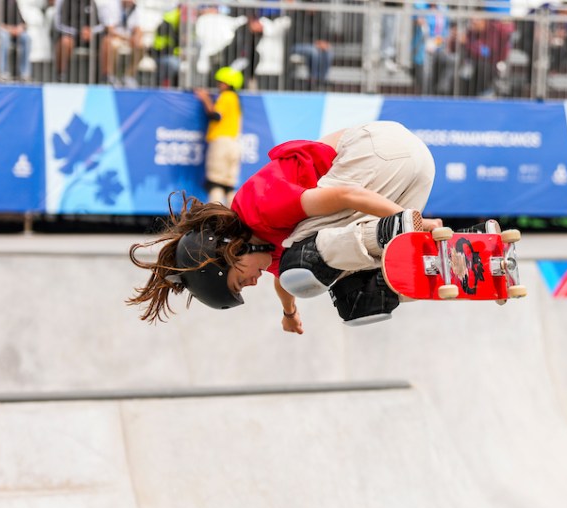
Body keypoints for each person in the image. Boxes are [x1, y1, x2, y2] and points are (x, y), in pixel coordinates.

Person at [128, 121, 441, 332]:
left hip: (382, 151)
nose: (252, 283)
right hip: (415, 170)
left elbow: (347, 195)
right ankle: (442, 265)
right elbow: (284, 284)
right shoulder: (269, 249)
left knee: (301, 262)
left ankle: (396, 229)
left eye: (239, 282)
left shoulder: (259, 209)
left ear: (228, 252)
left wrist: (411, 220)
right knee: (355, 299)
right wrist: (288, 313)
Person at [195, 66, 244, 207]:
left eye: (221, 82)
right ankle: (234, 219)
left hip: (221, 143)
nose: (219, 85)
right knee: (229, 185)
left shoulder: (227, 96)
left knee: (215, 183)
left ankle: (214, 220)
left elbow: (215, 115)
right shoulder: (236, 100)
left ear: (228, 83)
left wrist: (205, 98)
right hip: (234, 143)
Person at [54, 0, 103, 82]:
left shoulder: (92, 3)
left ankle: (105, 79)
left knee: (107, 42)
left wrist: (91, 31)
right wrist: (78, 32)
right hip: (72, 35)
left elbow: (100, 25)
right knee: (65, 42)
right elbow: (59, 24)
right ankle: (60, 76)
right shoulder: (65, 2)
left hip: (91, 37)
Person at [0, 0, 31, 81]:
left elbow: (23, 23)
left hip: (13, 32)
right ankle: (3, 72)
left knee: (26, 37)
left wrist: (20, 28)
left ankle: (24, 74)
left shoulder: (12, 2)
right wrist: (11, 30)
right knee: (4, 36)